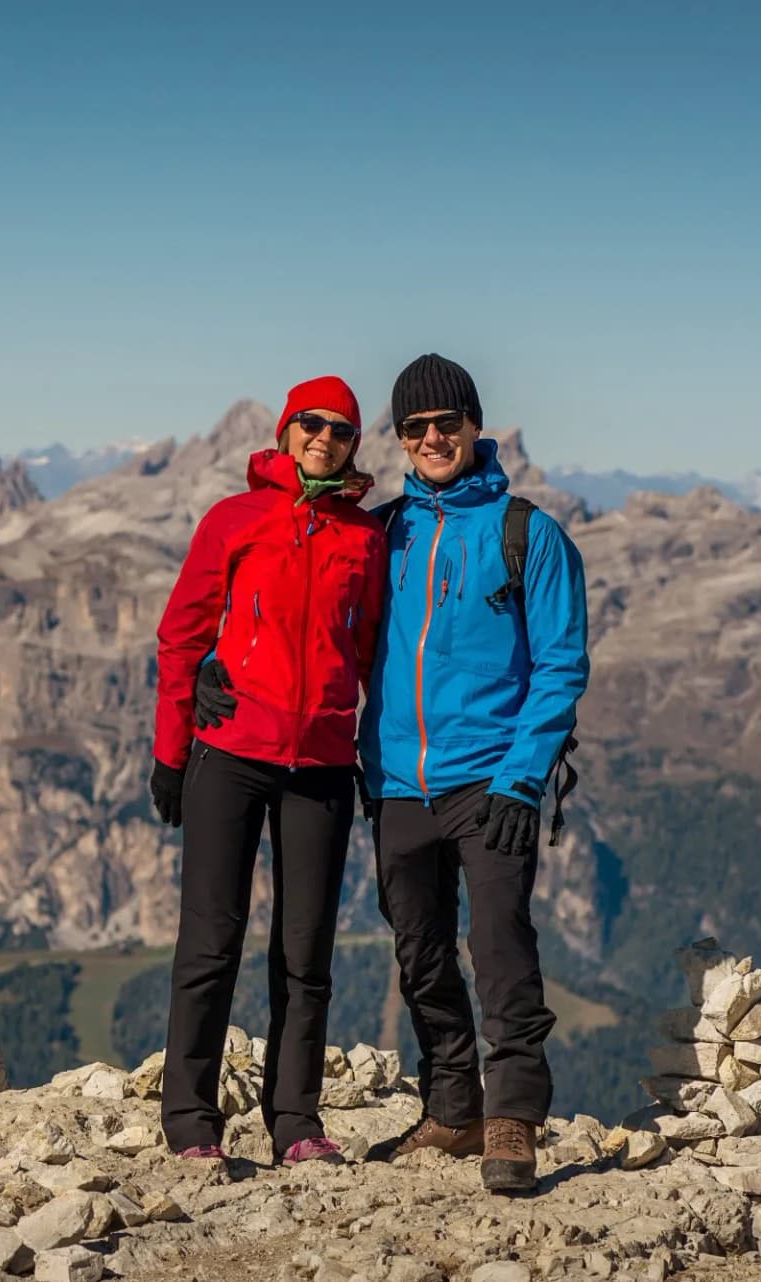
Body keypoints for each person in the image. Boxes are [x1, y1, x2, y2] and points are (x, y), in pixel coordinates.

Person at [359, 353, 589, 1192]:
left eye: (444, 424)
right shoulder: (385, 531)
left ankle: (513, 1118)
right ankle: (452, 1111)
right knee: (419, 954)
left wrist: (523, 775)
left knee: (499, 946)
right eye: (413, 428)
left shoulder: (529, 533)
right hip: (394, 783)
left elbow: (561, 665)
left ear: (472, 427)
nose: (430, 439)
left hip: (494, 779)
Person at [149, 375, 388, 1169]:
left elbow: (372, 652)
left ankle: (296, 1123)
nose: (324, 437)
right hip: (232, 754)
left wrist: (372, 754)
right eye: (310, 424)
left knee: (304, 952)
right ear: (286, 432)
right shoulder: (235, 519)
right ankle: (190, 1120)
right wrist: (170, 752)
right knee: (210, 942)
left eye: (341, 430)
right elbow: (182, 634)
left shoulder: (364, 536)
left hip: (319, 764)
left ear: (355, 445)